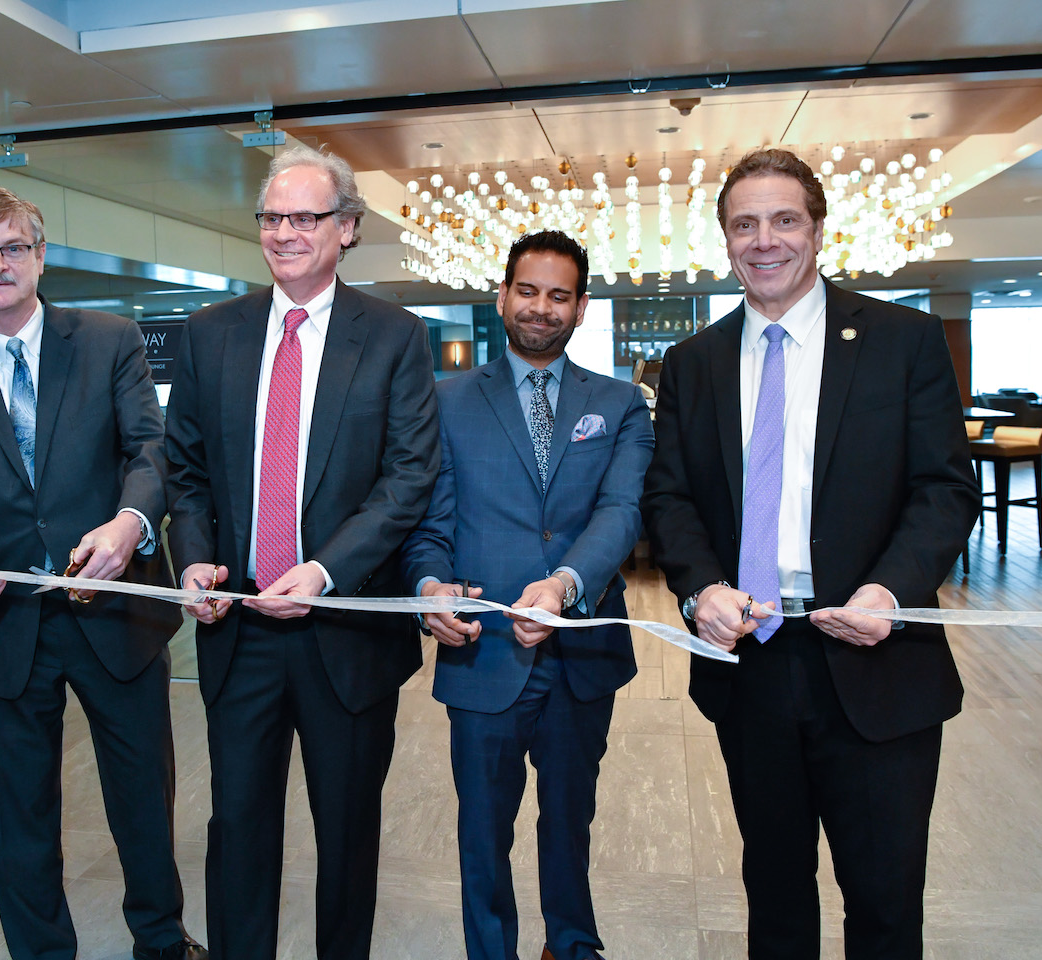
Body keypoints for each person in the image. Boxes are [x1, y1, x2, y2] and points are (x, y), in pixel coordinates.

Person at [643, 148, 980, 959]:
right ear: (726, 240)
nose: (765, 241)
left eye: (784, 220)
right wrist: (701, 587)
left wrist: (890, 592)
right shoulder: (693, 363)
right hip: (752, 664)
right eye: (745, 225)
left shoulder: (903, 340)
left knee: (885, 903)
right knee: (776, 899)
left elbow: (943, 489)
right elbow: (670, 498)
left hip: (876, 662)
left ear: (819, 229)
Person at [0, 187, 205, 960]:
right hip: (1, 620)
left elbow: (152, 450)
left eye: (12, 247)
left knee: (142, 795)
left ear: (39, 256)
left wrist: (130, 524)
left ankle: (161, 942)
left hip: (114, 610)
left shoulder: (108, 340)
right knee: (17, 810)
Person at [163, 145, 440, 960]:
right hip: (239, 625)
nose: (284, 233)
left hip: (345, 633)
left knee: (347, 833)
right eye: (272, 217)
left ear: (346, 228)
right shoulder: (209, 334)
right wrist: (194, 557)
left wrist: (322, 572)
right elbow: (186, 472)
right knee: (238, 828)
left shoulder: (394, 337)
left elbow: (407, 478)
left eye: (305, 217)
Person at [404, 230, 653, 960]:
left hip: (582, 647)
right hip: (481, 648)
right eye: (528, 291)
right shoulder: (445, 401)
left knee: (570, 818)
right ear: (502, 295)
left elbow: (621, 511)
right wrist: (429, 586)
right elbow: (429, 525)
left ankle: (571, 944)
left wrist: (565, 585)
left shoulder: (619, 403)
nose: (541, 308)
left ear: (581, 307)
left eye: (559, 296)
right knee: (483, 828)